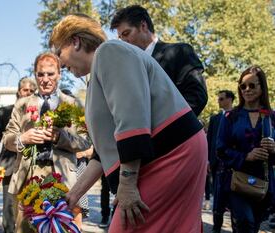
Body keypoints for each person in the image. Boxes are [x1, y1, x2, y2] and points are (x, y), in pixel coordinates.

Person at [50, 14, 207, 232]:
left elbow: (131, 119)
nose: (61, 62)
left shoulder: (108, 52)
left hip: (170, 155)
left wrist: (127, 184)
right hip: (170, 153)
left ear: (75, 41)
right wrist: (74, 194)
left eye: (59, 52)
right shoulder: (101, 68)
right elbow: (102, 154)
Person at [2, 52, 91, 233]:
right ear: (35, 74)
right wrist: (22, 139)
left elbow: (85, 141)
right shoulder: (22, 104)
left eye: (50, 74)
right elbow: (7, 139)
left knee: (61, 229)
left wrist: (60, 137)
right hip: (28, 176)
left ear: (59, 74)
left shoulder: (73, 104)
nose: (45, 79)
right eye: (40, 74)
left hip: (62, 176)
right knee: (25, 229)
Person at [110, 5, 207, 116]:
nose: (124, 41)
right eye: (120, 38)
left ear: (143, 26)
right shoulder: (129, 69)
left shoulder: (180, 52)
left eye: (126, 33)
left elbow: (197, 96)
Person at [216, 66, 275, 232]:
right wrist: (246, 156)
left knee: (254, 225)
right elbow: (220, 149)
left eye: (252, 85)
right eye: (243, 86)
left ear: (262, 87)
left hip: (263, 183)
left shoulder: (272, 117)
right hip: (237, 181)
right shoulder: (231, 117)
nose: (247, 90)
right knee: (245, 222)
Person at [0, 77, 37, 229]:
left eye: (32, 91)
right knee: (9, 212)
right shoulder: (5, 111)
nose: (28, 93)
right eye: (26, 90)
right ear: (19, 91)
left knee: (30, 213)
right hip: (10, 165)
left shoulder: (40, 111)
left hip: (33, 168)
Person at [207, 90, 236, 233]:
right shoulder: (215, 119)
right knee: (217, 199)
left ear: (230, 99)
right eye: (218, 99)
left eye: (221, 99)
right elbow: (209, 141)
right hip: (216, 165)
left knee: (234, 200)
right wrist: (207, 160)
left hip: (234, 165)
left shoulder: (239, 116)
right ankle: (216, 228)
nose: (218, 101)